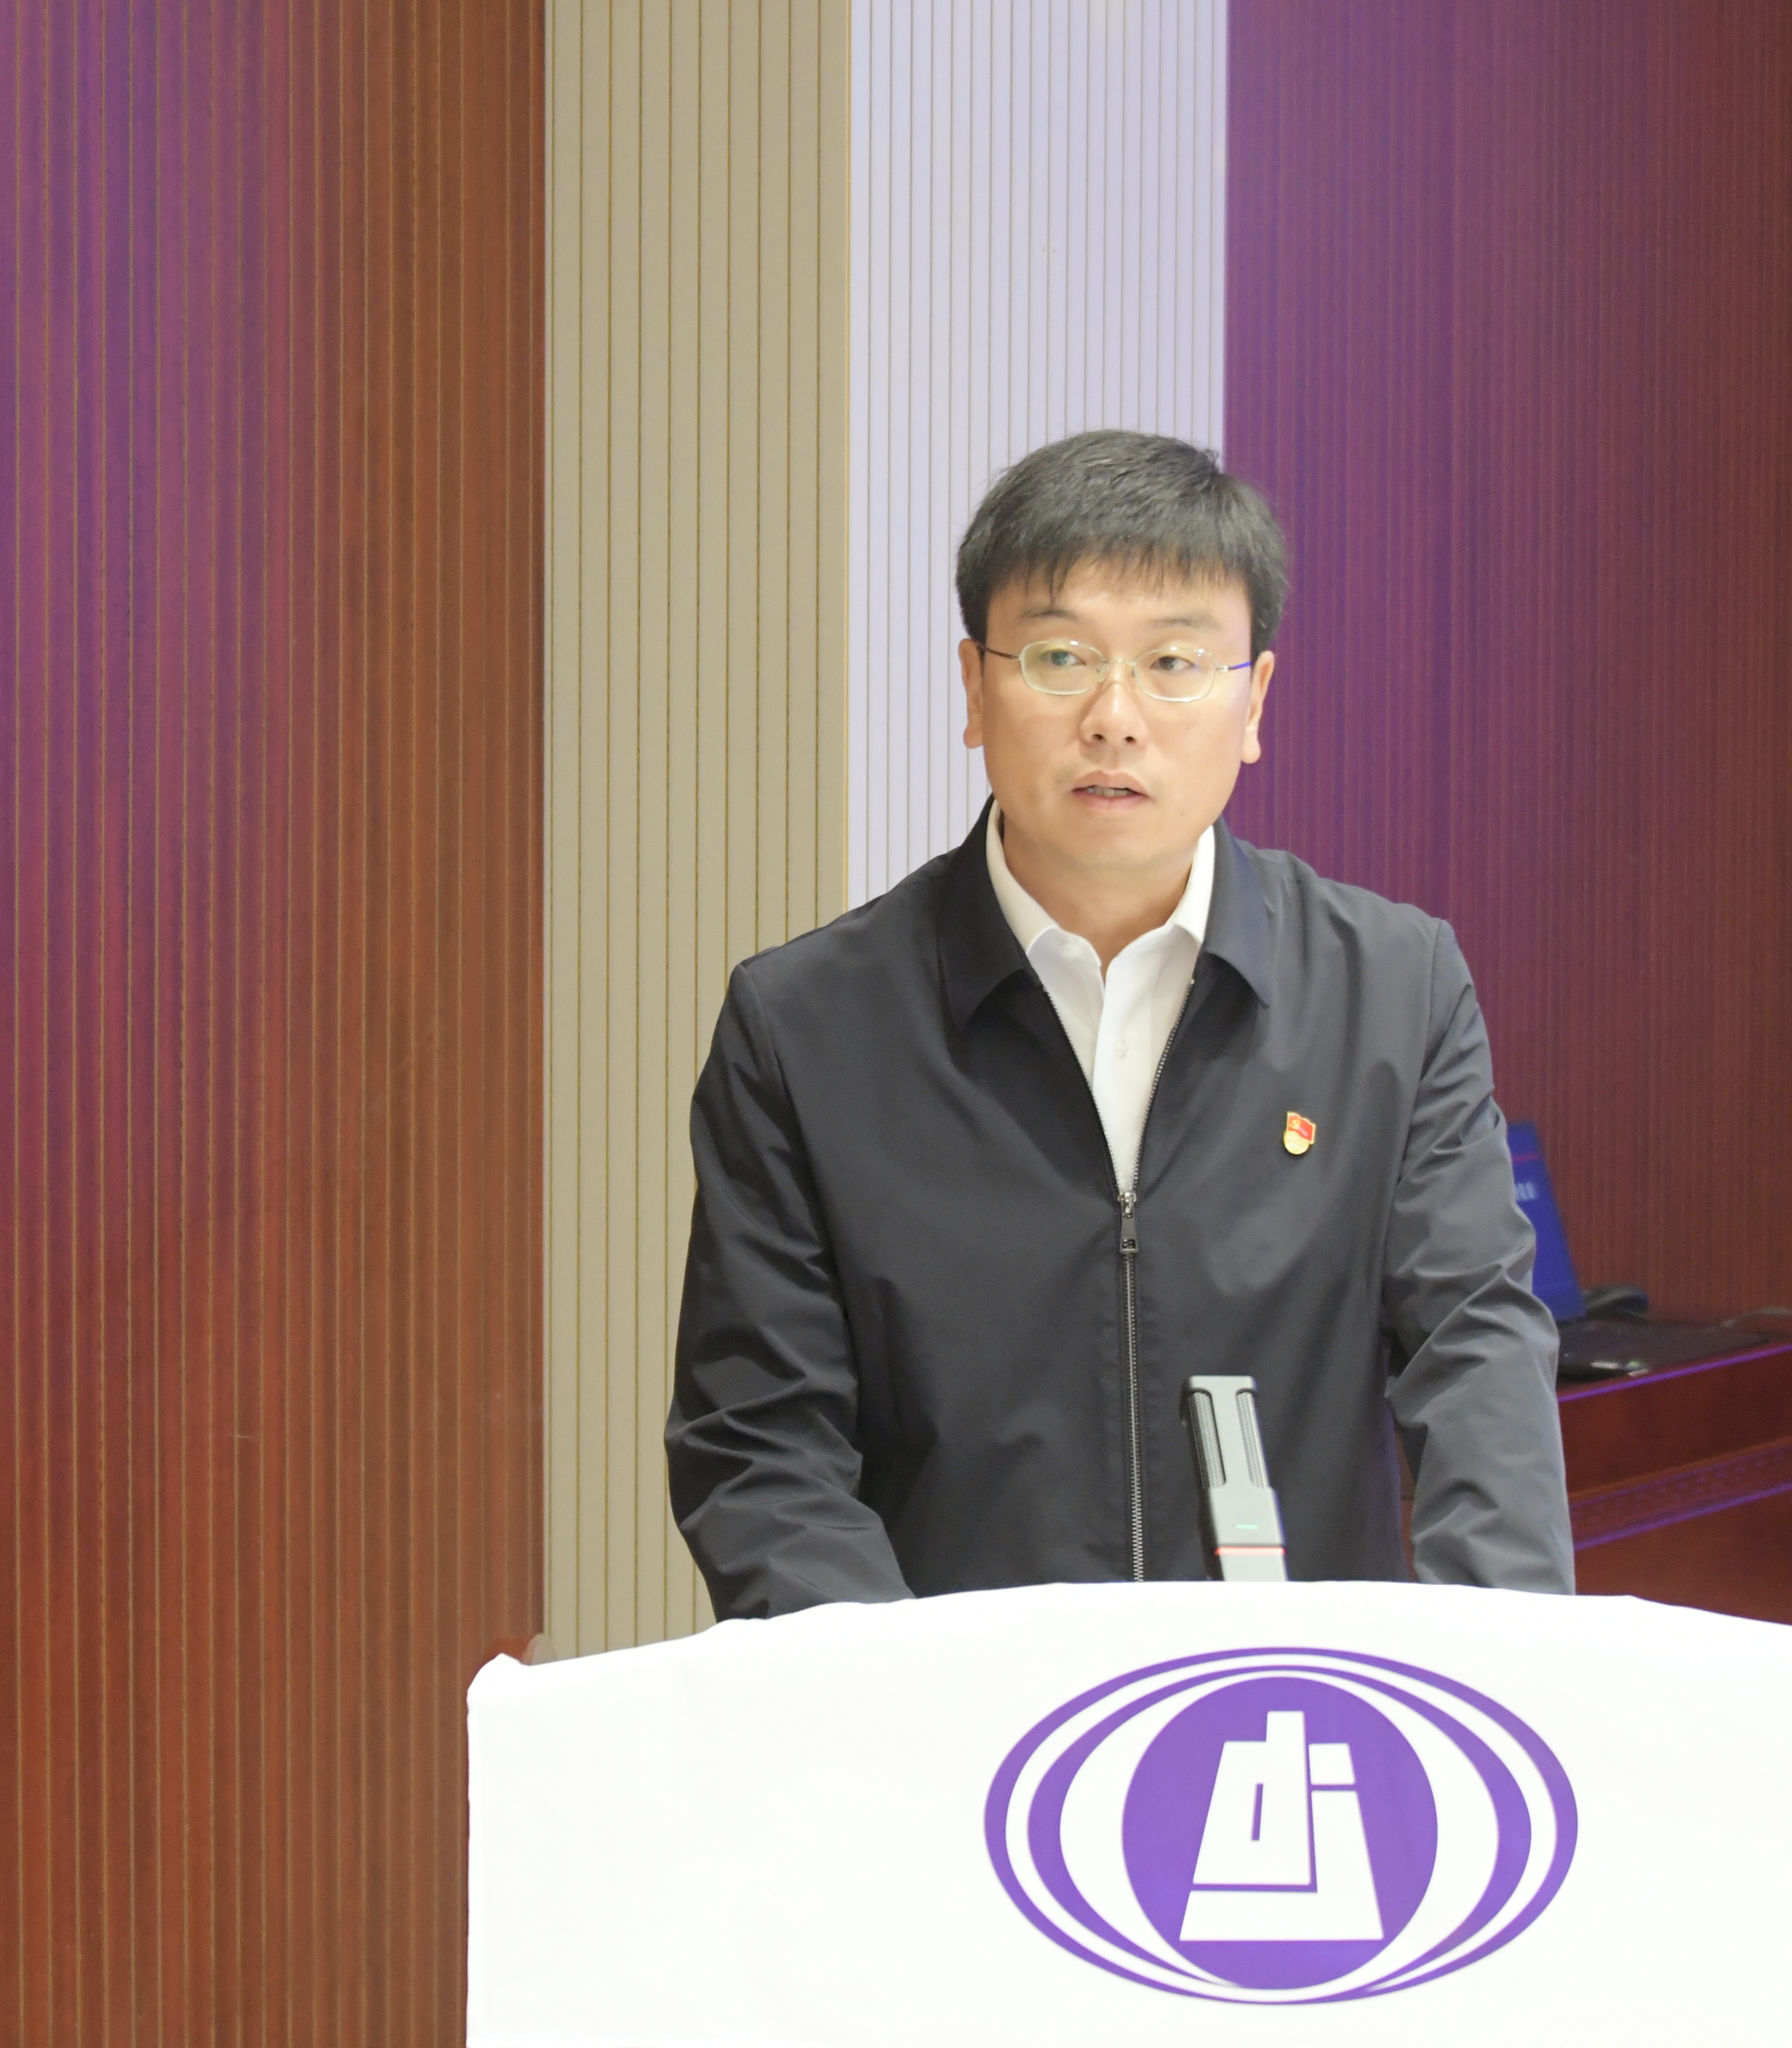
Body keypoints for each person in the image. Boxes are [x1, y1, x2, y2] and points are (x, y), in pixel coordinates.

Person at [666, 429, 1572, 1617]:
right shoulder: (807, 1030)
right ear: (974, 688)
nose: (1115, 716)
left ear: (1255, 699)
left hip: (1285, 1706)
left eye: (1175, 662)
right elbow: (763, 1447)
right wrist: (902, 1700)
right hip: (961, 1716)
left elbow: (1478, 1358)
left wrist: (1489, 1669)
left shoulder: (1393, 993)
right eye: (1060, 656)